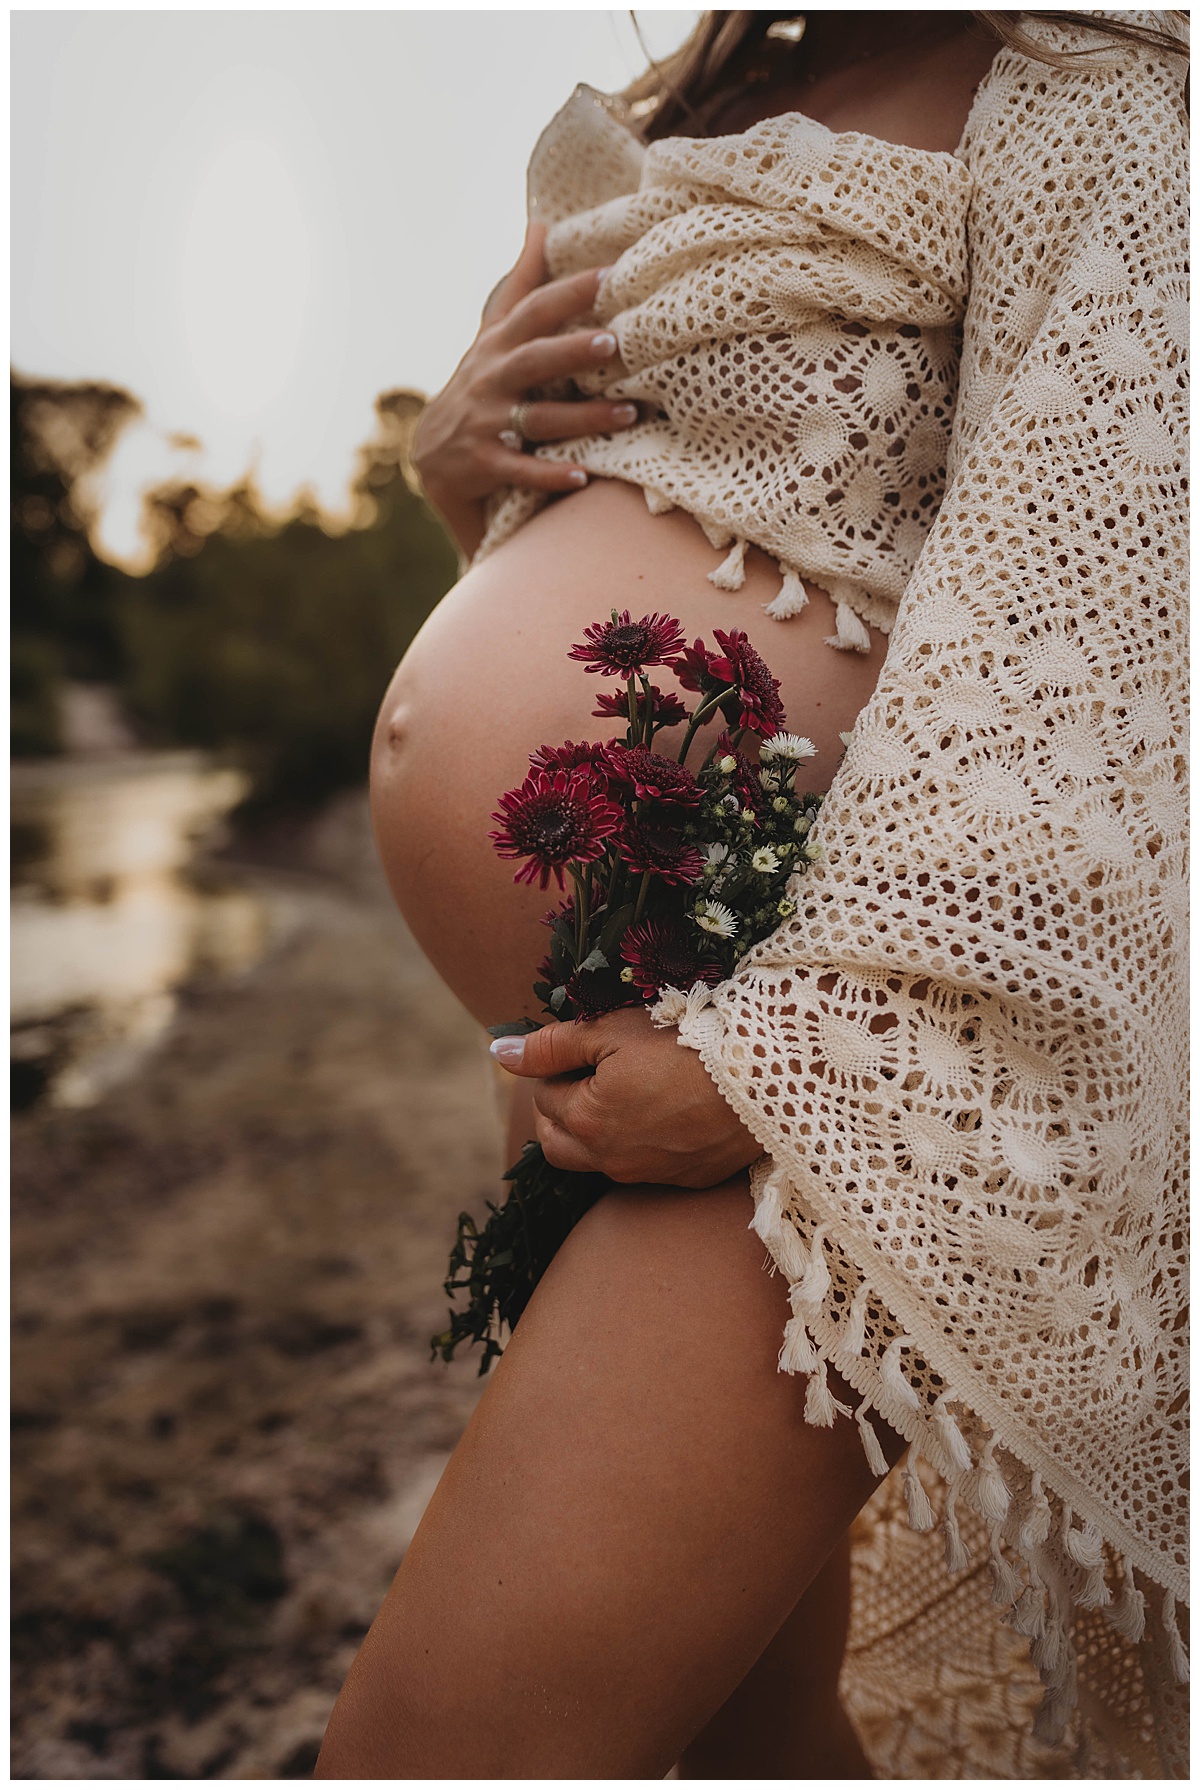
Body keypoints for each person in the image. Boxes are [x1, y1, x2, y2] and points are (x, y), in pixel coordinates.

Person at [317, 11, 1188, 1777]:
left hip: (808, 1078)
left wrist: (763, 1064)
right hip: (604, 1045)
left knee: (444, 1748)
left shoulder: (1109, 108)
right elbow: (648, 511)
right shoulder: (677, 109)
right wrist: (457, 476)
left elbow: (1100, 645)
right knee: (745, 1735)